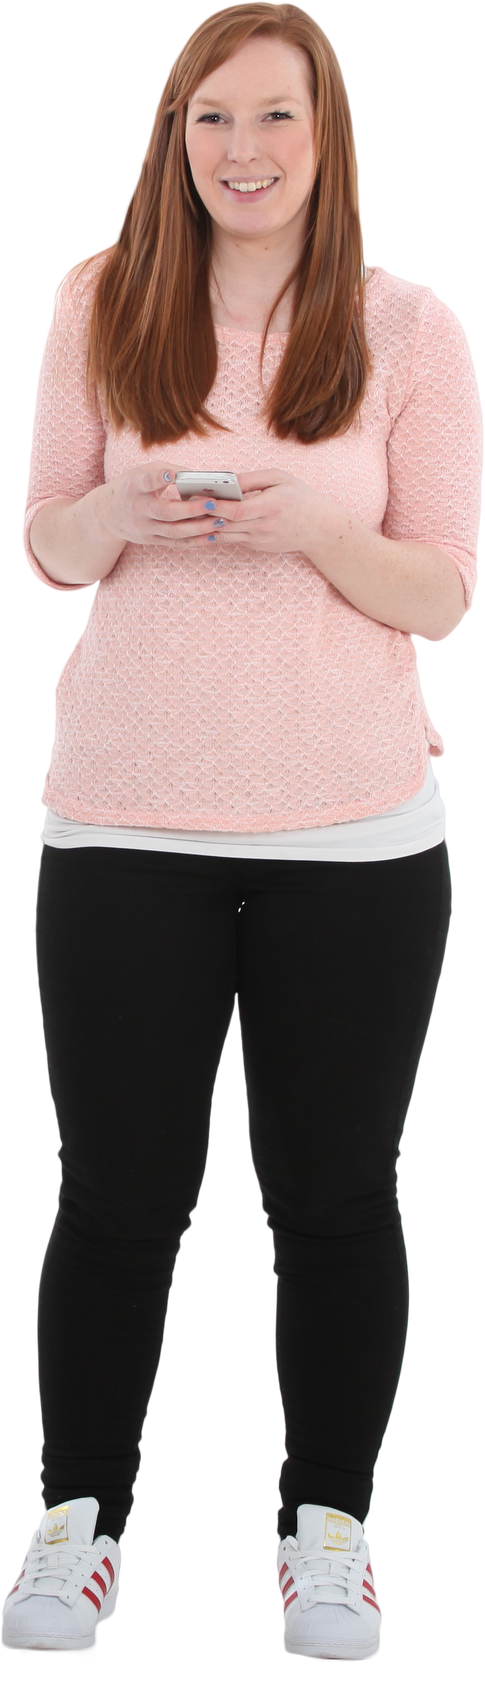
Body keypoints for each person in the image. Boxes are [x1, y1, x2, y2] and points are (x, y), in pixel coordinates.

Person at [3, 2, 482, 1666]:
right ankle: (79, 1527)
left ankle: (327, 1532)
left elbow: (444, 590)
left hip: (356, 833)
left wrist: (313, 533)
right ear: (174, 137)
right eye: (212, 118)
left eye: (277, 116)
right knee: (116, 1194)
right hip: (123, 818)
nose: (245, 150)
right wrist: (119, 509)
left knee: (334, 1195)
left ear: (327, 138)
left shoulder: (410, 328)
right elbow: (48, 549)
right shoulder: (98, 299)